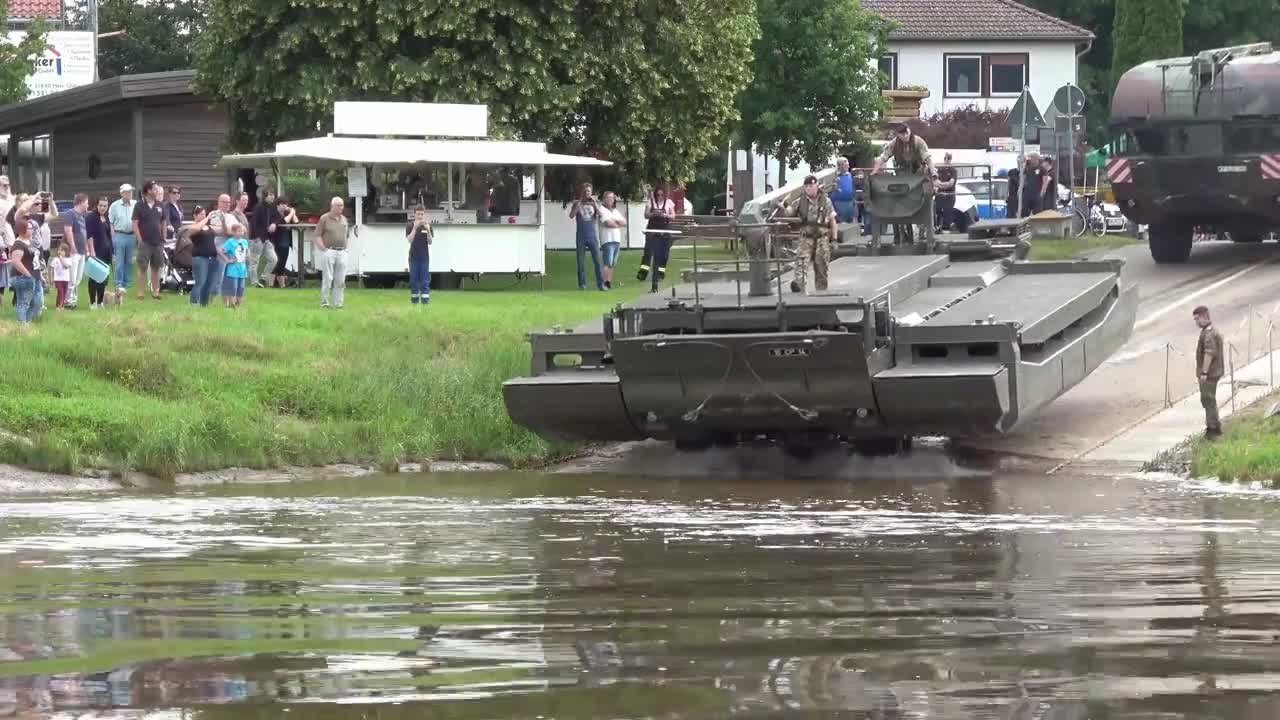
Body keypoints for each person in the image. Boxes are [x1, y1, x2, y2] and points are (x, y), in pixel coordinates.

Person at [873, 123, 936, 247]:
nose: (906, 135)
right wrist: (875, 170)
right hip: (901, 174)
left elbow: (927, 158)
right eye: (903, 134)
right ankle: (900, 236)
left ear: (909, 131)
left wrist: (933, 171)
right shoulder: (894, 144)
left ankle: (928, 232)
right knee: (897, 201)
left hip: (917, 173)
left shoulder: (918, 142)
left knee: (926, 201)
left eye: (907, 132)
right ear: (899, 135)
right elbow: (883, 157)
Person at [783, 174, 838, 294]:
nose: (809, 188)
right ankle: (799, 291)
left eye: (811, 186)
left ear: (817, 186)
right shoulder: (799, 201)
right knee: (801, 267)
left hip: (821, 239)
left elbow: (833, 220)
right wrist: (784, 207)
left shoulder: (826, 201)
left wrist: (834, 239)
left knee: (821, 270)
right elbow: (788, 214)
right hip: (806, 239)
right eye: (806, 186)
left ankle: (821, 295)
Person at [131, 180, 167, 300]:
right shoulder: (139, 205)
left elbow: (163, 222)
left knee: (156, 267)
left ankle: (155, 292)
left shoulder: (160, 205)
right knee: (142, 267)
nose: (157, 191)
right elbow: (135, 223)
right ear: (148, 191)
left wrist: (164, 237)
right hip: (145, 242)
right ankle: (140, 293)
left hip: (157, 242)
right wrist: (140, 239)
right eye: (155, 189)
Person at [1194, 306, 1225, 439]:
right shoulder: (1208, 331)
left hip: (1210, 374)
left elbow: (1209, 354)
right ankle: (1214, 425)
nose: (1196, 322)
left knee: (1208, 399)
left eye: (1197, 319)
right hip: (1213, 372)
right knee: (1208, 399)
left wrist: (1204, 373)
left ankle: (1212, 429)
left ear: (1204, 316)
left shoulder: (1209, 334)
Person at [313, 196, 349, 309]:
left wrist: (346, 248)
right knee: (328, 278)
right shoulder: (324, 218)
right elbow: (317, 235)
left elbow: (346, 235)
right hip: (329, 250)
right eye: (338, 205)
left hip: (342, 252)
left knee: (341, 279)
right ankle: (325, 302)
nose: (341, 208)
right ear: (332, 206)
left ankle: (338, 303)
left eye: (342, 205)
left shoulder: (344, 219)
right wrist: (324, 249)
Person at [568, 182, 605, 291]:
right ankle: (582, 284)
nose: (586, 193)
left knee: (597, 261)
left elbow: (601, 215)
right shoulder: (576, 203)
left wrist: (595, 204)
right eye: (584, 191)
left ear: (591, 192)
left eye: (588, 191)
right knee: (580, 262)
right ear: (581, 192)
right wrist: (578, 204)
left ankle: (601, 284)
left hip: (592, 236)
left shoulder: (594, 203)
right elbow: (571, 216)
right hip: (581, 237)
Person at [637, 187, 676, 292]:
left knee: (663, 254)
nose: (659, 197)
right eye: (657, 195)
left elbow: (673, 216)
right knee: (648, 252)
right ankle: (643, 272)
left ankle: (660, 273)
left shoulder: (668, 202)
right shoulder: (650, 202)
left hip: (665, 230)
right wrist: (653, 214)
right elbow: (646, 215)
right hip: (652, 230)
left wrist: (665, 215)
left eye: (661, 195)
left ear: (664, 195)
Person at [60, 193, 89, 309]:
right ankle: (68, 301)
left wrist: (86, 248)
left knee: (78, 279)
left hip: (81, 251)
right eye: (87, 202)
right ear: (81, 202)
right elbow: (68, 231)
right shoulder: (70, 214)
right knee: (71, 278)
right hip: (73, 251)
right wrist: (72, 246)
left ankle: (73, 300)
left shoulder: (82, 216)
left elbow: (84, 234)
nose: (88, 205)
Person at [186, 206, 218, 306]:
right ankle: (193, 302)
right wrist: (207, 217)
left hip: (212, 258)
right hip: (200, 258)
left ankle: (204, 304)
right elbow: (197, 228)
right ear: (194, 216)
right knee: (200, 282)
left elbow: (222, 230)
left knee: (208, 283)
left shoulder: (209, 227)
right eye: (201, 214)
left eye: (204, 214)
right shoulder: (193, 227)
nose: (203, 216)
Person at [108, 184, 137, 293]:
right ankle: (118, 282)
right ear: (122, 193)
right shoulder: (114, 206)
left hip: (131, 235)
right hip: (119, 234)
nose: (129, 194)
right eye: (127, 192)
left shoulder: (135, 204)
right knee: (119, 261)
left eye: (130, 192)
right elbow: (111, 222)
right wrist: (113, 237)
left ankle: (127, 282)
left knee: (129, 261)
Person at [8, 218, 38, 322]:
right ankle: (22, 326)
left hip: (27, 277)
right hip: (21, 277)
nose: (32, 230)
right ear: (23, 229)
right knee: (22, 303)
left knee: (34, 303)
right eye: (30, 228)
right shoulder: (18, 245)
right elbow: (16, 261)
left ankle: (26, 323)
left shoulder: (26, 243)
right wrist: (28, 275)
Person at [85, 197, 112, 309]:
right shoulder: (91, 217)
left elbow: (108, 235)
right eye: (101, 205)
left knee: (103, 278)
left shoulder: (106, 217)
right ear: (97, 205)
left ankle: (100, 302)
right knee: (94, 278)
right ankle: (92, 302)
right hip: (96, 251)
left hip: (106, 252)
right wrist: (92, 251)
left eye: (105, 206)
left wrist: (112, 252)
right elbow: (89, 235)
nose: (103, 208)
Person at [250, 188, 279, 288]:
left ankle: (263, 278)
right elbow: (253, 223)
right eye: (270, 195)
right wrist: (256, 236)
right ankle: (254, 283)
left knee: (273, 259)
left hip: (266, 239)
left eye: (273, 195)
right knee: (254, 261)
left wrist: (274, 224)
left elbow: (278, 217)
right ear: (265, 196)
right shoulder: (258, 207)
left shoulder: (272, 208)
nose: (272, 197)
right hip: (257, 238)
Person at [206, 193, 233, 299]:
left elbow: (233, 232)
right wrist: (224, 230)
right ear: (219, 203)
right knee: (218, 276)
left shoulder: (231, 217)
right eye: (224, 202)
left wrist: (223, 229)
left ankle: (226, 301)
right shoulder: (213, 214)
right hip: (216, 249)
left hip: (229, 250)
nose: (227, 204)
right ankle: (210, 298)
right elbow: (210, 228)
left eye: (229, 202)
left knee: (228, 277)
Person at [219, 220, 250, 309]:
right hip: (233, 269)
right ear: (233, 232)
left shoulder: (244, 241)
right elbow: (221, 251)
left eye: (242, 231)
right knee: (233, 288)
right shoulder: (230, 241)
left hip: (242, 268)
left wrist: (248, 257)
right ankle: (232, 305)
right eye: (238, 231)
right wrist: (227, 259)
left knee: (241, 288)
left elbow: (246, 252)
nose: (240, 233)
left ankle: (238, 305)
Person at [405, 205, 432, 305]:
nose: (420, 216)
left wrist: (428, 230)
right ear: (414, 214)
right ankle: (414, 303)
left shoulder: (427, 225)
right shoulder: (410, 225)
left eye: (422, 214)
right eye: (418, 214)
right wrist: (415, 228)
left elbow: (430, 242)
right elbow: (409, 240)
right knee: (414, 281)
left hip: (424, 258)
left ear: (424, 214)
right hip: (413, 258)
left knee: (425, 282)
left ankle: (425, 303)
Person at [598, 191, 626, 289]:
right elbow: (608, 223)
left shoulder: (615, 211)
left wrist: (615, 221)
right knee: (607, 262)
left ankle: (608, 281)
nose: (611, 199)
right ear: (604, 199)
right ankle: (603, 282)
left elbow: (624, 222)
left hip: (616, 239)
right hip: (607, 240)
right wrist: (617, 223)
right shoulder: (601, 209)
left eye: (612, 198)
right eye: (608, 197)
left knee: (612, 263)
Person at [270, 196, 299, 288]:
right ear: (278, 205)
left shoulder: (287, 213)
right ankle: (270, 283)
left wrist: (293, 213)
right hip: (277, 241)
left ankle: (282, 285)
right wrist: (291, 214)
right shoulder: (274, 213)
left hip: (286, 241)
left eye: (286, 204)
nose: (284, 206)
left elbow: (296, 222)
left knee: (283, 262)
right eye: (282, 204)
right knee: (278, 262)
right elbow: (282, 221)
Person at [935, 152, 957, 231]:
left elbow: (951, 184)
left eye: (948, 158)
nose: (946, 160)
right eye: (945, 158)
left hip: (950, 195)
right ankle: (938, 228)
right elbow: (935, 182)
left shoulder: (953, 170)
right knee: (937, 211)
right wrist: (942, 185)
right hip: (940, 194)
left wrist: (941, 184)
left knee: (948, 214)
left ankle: (946, 229)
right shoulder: (940, 169)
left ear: (951, 160)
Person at [830, 158, 856, 223]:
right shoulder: (834, 176)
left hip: (850, 203)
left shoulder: (849, 175)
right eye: (846, 165)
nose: (848, 166)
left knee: (851, 224)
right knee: (842, 224)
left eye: (848, 165)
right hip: (839, 203)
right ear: (840, 166)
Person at [51, 243, 72, 309]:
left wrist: (61, 259)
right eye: (59, 250)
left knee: (65, 292)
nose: (60, 252)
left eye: (62, 250)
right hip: (58, 279)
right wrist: (51, 278)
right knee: (60, 291)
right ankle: (58, 305)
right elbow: (52, 269)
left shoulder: (69, 259)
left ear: (66, 251)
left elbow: (66, 266)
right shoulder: (55, 259)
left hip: (65, 278)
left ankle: (62, 305)